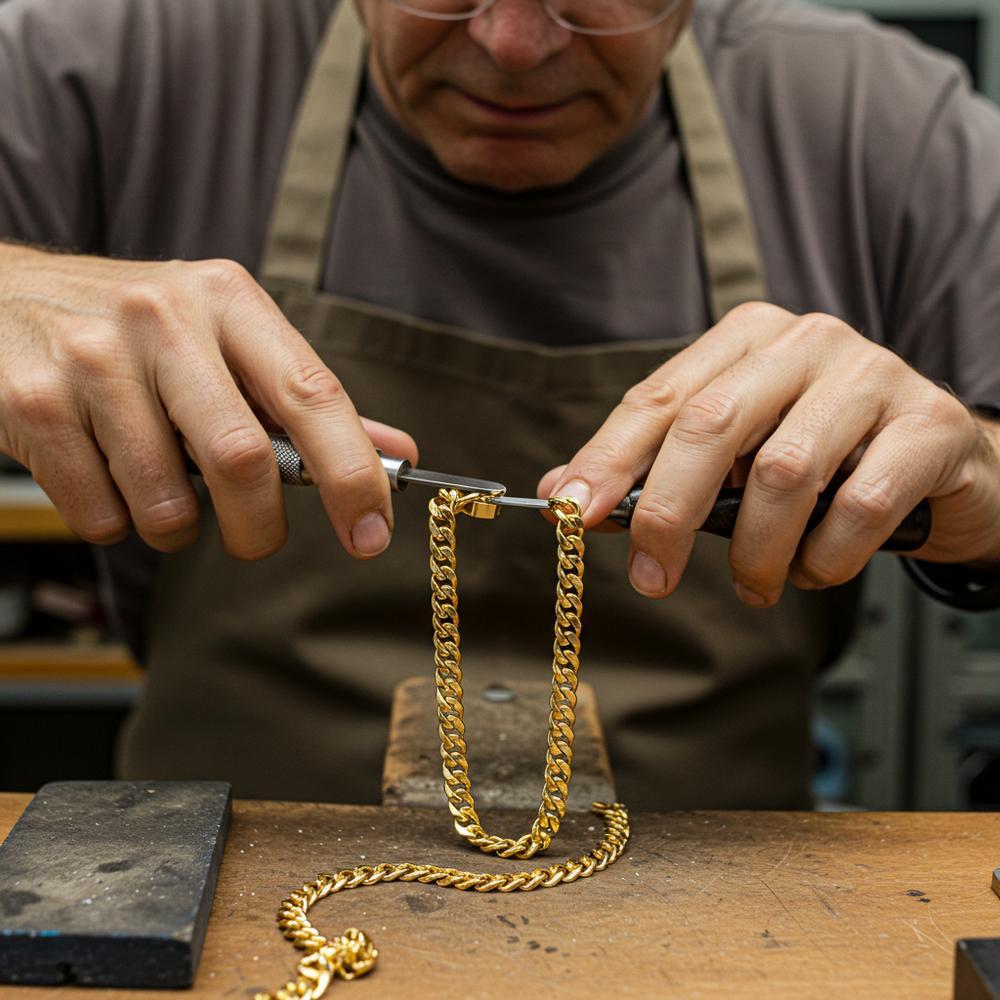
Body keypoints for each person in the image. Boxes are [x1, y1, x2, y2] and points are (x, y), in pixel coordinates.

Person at [1, 0, 999, 808]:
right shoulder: (116, 57)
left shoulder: (884, 122)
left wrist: (979, 485)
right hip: (214, 881)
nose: (514, 45)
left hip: (734, 914)